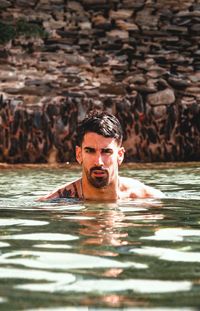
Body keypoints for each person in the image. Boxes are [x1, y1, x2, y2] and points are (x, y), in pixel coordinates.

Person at [38, 110, 164, 201]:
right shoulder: (54, 202)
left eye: (106, 152)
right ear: (78, 154)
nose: (99, 162)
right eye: (90, 151)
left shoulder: (149, 199)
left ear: (120, 155)